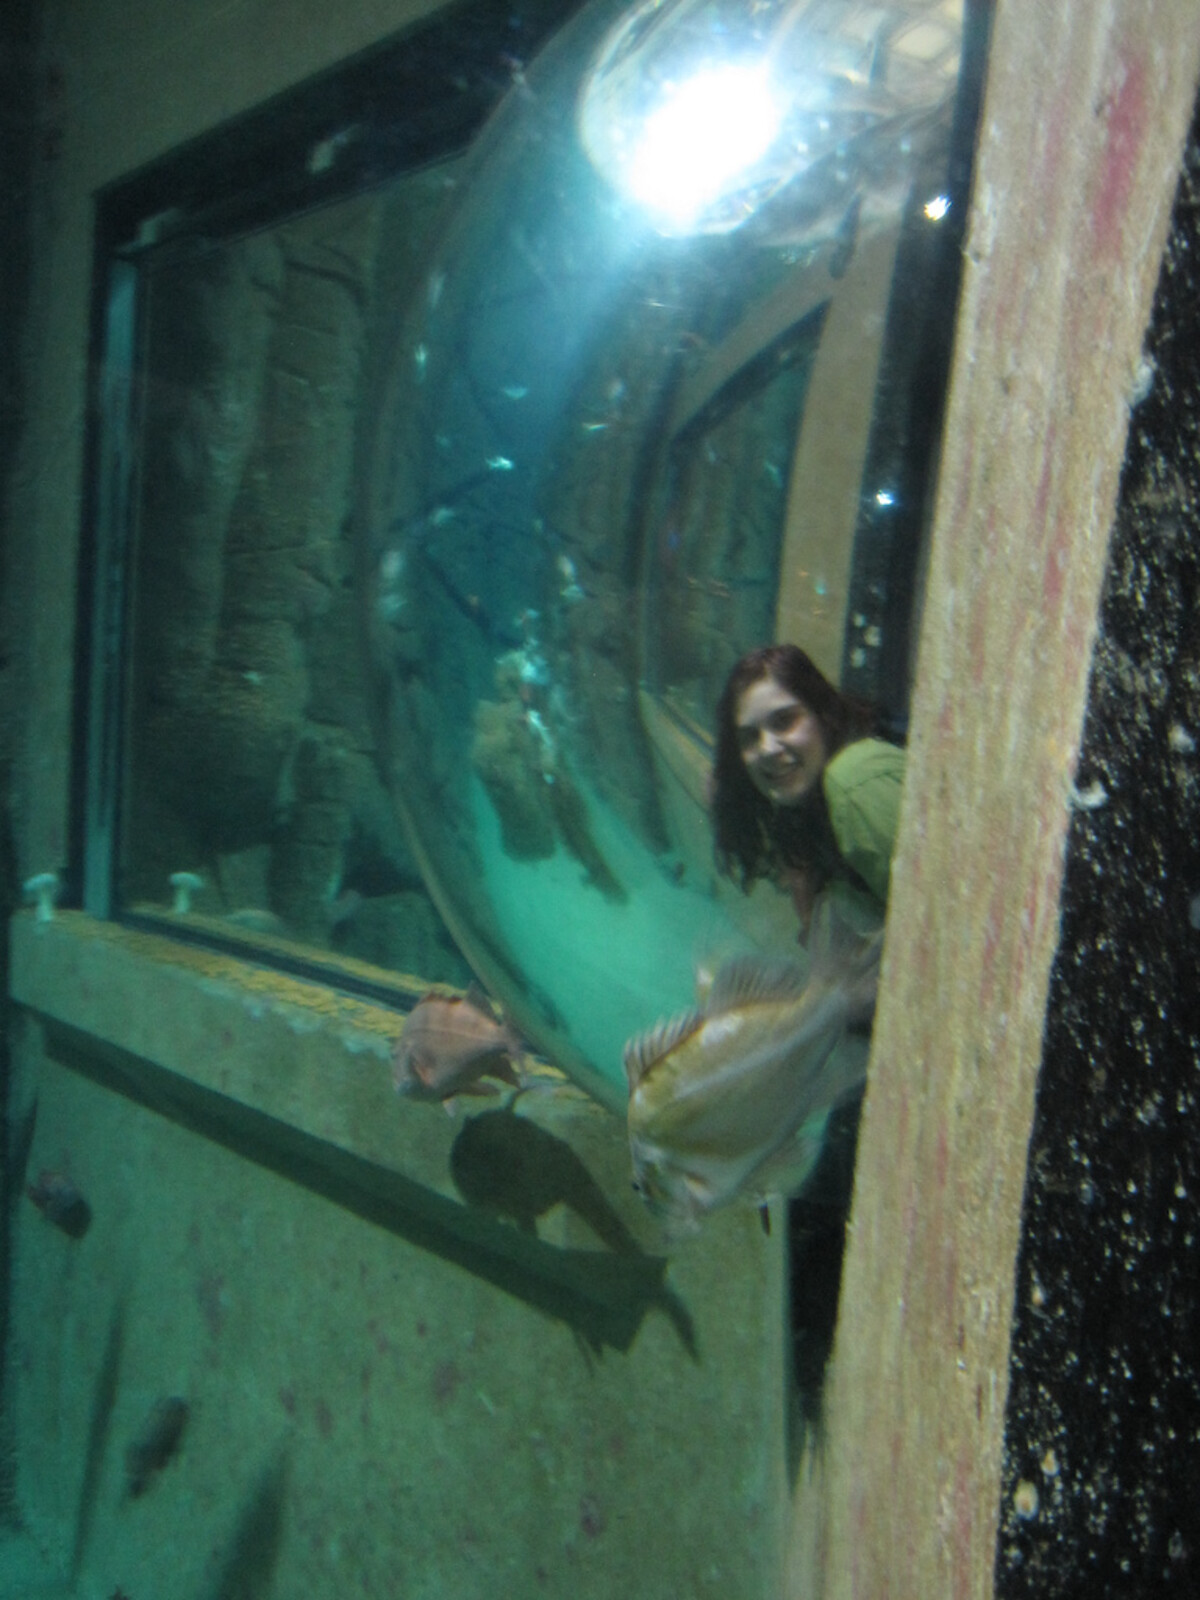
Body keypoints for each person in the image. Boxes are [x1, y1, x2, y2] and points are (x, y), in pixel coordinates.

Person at [710, 643, 905, 941]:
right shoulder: (806, 807)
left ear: (822, 714)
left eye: (784, 721)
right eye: (750, 737)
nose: (768, 749)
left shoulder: (852, 780)